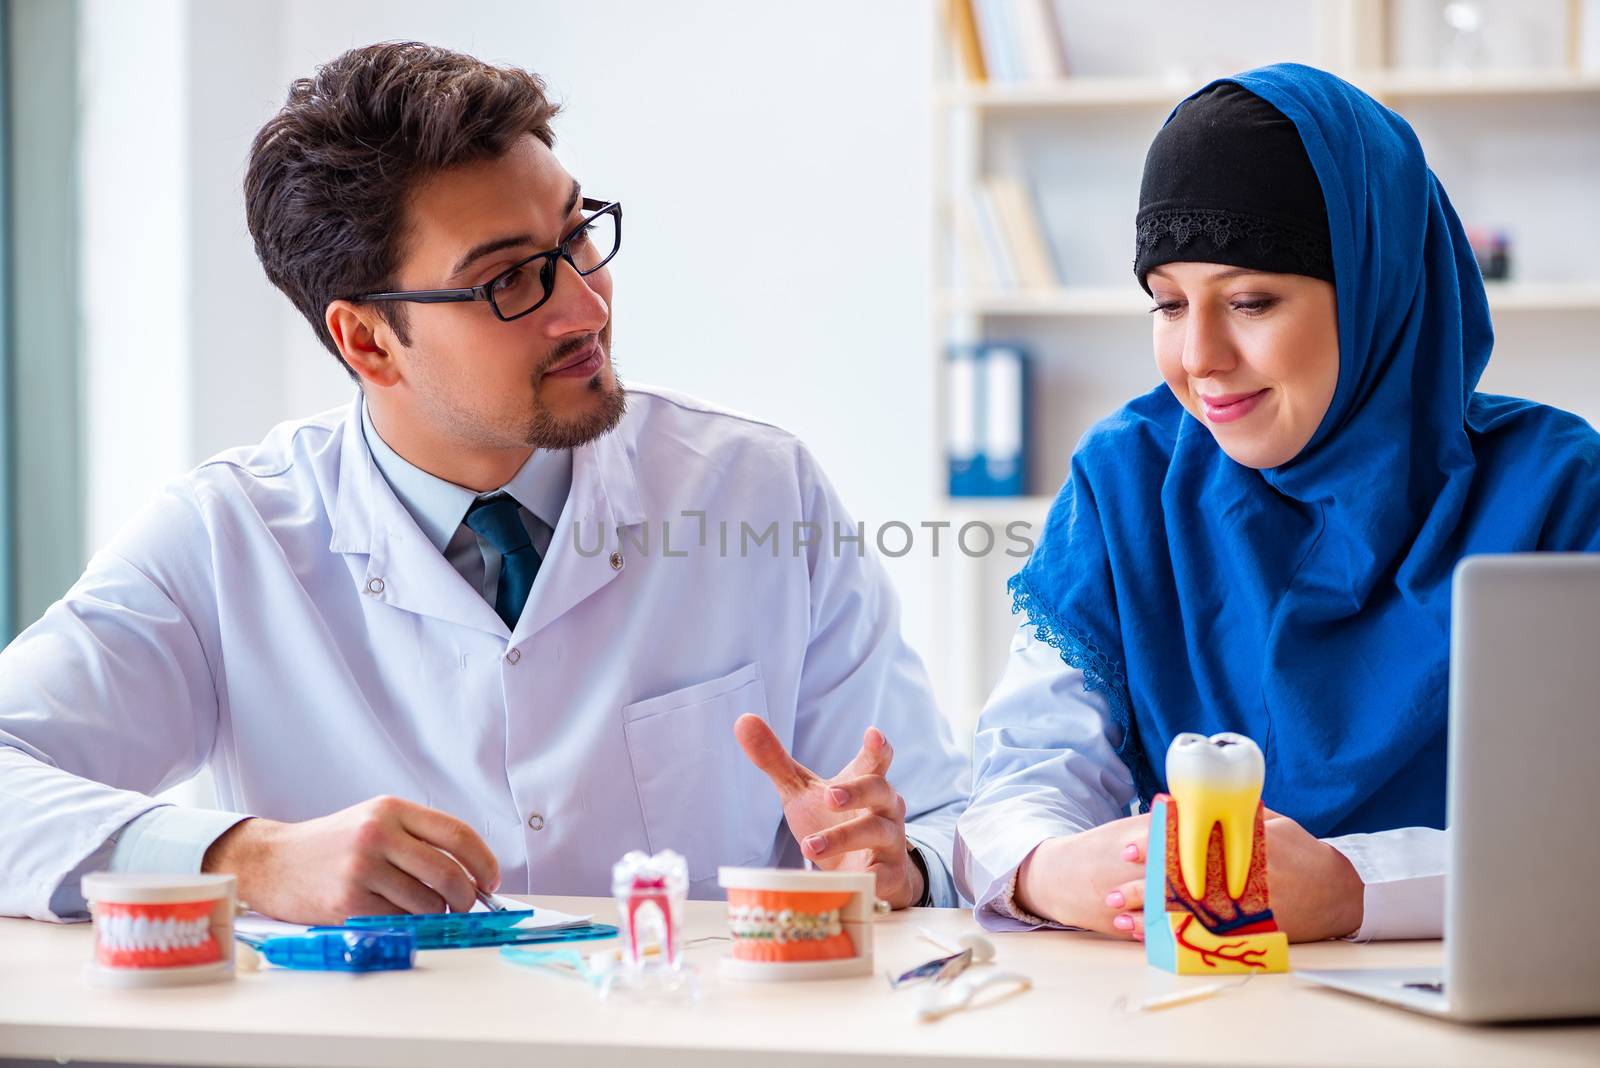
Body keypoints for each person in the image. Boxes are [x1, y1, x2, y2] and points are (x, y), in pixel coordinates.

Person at [0, 42, 967, 924]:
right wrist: (244, 859)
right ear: (368, 339)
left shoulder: (757, 490)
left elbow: (937, 816)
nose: (586, 305)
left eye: (578, 233)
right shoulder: (224, 540)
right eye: (511, 281)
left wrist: (901, 861)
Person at [954, 64, 1600, 943]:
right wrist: (1042, 867)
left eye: (1250, 301)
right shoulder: (1128, 478)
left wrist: (1355, 889)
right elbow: (1026, 772)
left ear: (1379, 288)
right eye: (1169, 304)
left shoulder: (1558, 493)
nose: (1200, 357)